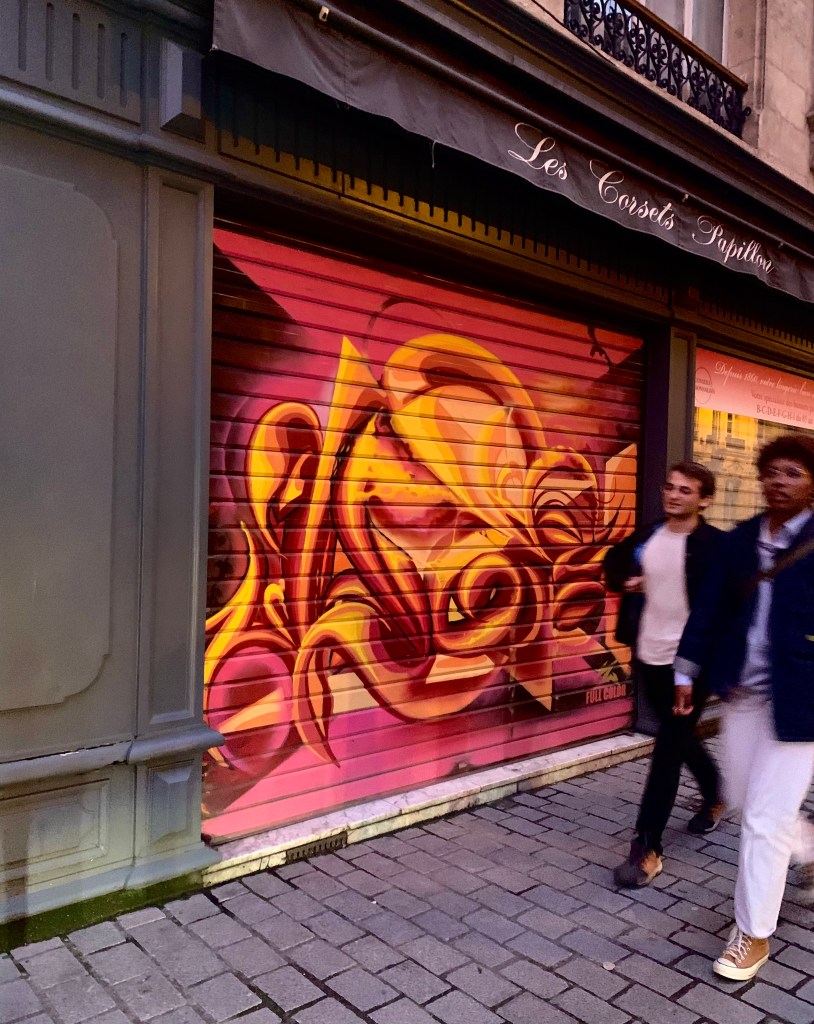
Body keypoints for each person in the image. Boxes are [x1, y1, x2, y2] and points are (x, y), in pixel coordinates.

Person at [675, 434, 814, 981]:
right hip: (744, 696)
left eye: (793, 472)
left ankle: (752, 934)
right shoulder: (740, 542)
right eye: (772, 471)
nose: (779, 481)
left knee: (763, 819)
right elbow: (708, 608)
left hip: (801, 701)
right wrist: (686, 670)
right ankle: (809, 845)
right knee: (738, 797)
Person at [606, 462, 724, 888]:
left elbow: (721, 611)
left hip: (689, 666)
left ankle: (647, 847)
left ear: (704, 500)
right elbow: (612, 564)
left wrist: (694, 670)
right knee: (678, 737)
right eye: (669, 487)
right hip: (649, 656)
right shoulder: (648, 536)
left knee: (667, 752)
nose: (673, 495)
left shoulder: (714, 546)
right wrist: (626, 582)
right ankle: (716, 792)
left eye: (685, 490)